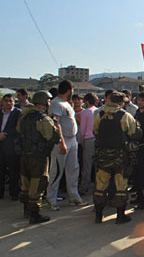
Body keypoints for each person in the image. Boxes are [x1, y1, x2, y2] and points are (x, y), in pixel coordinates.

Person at [93, 91, 142, 224]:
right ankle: (120, 216)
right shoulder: (125, 116)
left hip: (102, 156)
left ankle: (98, 215)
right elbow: (135, 133)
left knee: (101, 185)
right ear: (121, 102)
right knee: (121, 186)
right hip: (120, 156)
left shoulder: (100, 114)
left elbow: (95, 132)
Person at [17, 91, 60, 224]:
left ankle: (26, 210)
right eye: (47, 100)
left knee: (25, 183)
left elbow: (19, 132)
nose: (49, 103)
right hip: (38, 157)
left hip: (24, 155)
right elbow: (53, 137)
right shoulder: (43, 118)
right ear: (42, 102)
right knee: (38, 183)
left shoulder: (24, 116)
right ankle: (34, 214)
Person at [47, 80, 87, 210]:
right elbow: (55, 123)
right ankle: (51, 199)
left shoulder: (66, 103)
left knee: (73, 169)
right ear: (69, 90)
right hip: (62, 140)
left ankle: (74, 196)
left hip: (72, 140)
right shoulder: (56, 103)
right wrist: (61, 142)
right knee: (57, 171)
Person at [0, 94, 22, 200]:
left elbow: (18, 128)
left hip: (12, 146)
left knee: (14, 171)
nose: (8, 103)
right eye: (6, 101)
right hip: (1, 146)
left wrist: (5, 134)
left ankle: (14, 193)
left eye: (11, 101)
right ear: (2, 102)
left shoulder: (18, 113)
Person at [78, 93, 98, 195]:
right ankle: (98, 187)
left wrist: (81, 142)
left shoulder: (85, 112)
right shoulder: (98, 111)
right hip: (97, 139)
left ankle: (83, 187)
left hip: (88, 139)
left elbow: (82, 130)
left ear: (86, 101)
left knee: (87, 166)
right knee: (97, 166)